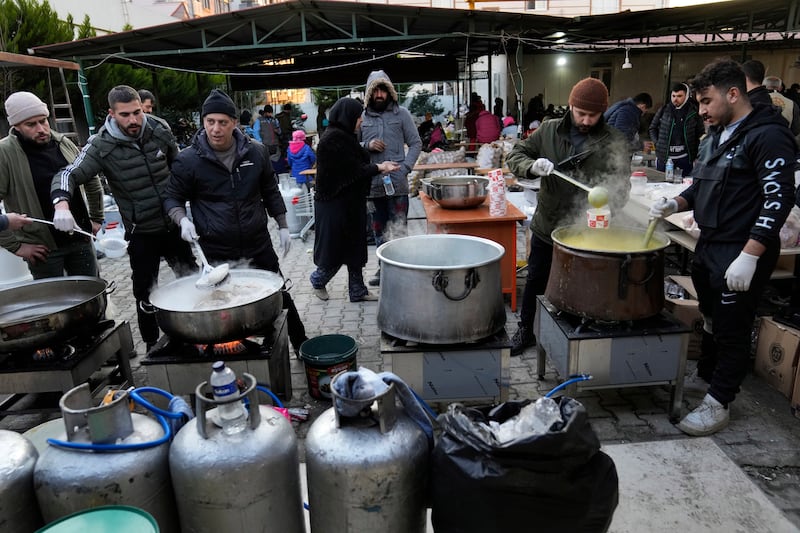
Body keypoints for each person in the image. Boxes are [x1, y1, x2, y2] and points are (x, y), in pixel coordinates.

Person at [649, 59, 796, 436]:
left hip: (742, 249)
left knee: (733, 326)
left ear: (733, 93)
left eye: (706, 101)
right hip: (709, 245)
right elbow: (701, 187)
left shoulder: (768, 135)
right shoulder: (718, 133)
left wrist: (751, 254)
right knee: (712, 317)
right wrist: (675, 204)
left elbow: (777, 200)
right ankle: (710, 375)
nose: (701, 111)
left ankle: (720, 402)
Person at [163, 89, 308, 354]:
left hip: (257, 242)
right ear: (203, 122)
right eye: (210, 122)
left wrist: (284, 225)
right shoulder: (188, 160)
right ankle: (229, 352)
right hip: (215, 248)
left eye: (222, 122)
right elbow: (172, 198)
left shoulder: (257, 152)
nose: (216, 129)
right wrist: (181, 219)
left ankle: (301, 344)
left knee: (279, 294)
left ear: (234, 123)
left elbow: (270, 190)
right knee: (221, 304)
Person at [51, 85, 196, 349]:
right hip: (142, 231)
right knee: (144, 290)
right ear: (112, 113)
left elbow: (180, 167)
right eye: (125, 114)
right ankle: (152, 344)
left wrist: (189, 211)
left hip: (174, 223)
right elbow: (69, 174)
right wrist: (61, 204)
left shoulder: (158, 128)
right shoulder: (101, 144)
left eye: (137, 112)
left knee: (193, 278)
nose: (133, 120)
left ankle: (196, 331)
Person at [506, 78, 630, 356]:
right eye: (580, 113)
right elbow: (516, 155)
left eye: (593, 115)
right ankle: (526, 328)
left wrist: (612, 204)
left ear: (603, 112)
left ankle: (572, 334)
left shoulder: (614, 141)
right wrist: (532, 166)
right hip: (548, 223)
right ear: (570, 106)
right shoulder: (549, 130)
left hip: (588, 231)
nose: (586, 120)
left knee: (581, 286)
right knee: (536, 279)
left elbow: (622, 185)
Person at [0, 91, 104, 278]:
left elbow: (90, 179)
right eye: (31, 124)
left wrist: (96, 218)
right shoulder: (5, 153)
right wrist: (16, 246)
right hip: (43, 249)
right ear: (16, 126)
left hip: (80, 238)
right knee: (56, 304)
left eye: (43, 121)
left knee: (93, 299)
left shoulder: (63, 143)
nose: (41, 129)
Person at [309, 97, 399, 302]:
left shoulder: (346, 136)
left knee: (355, 247)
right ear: (347, 116)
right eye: (358, 117)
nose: (361, 121)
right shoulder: (332, 139)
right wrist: (380, 167)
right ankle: (318, 279)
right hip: (333, 204)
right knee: (336, 249)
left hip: (351, 202)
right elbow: (351, 172)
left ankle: (357, 290)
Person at [360, 69, 422, 286]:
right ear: (369, 93)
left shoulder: (402, 114)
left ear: (389, 91)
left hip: (397, 185)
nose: (379, 94)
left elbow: (416, 143)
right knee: (378, 229)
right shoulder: (362, 117)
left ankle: (401, 269)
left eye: (383, 90)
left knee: (398, 228)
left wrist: (405, 168)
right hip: (372, 186)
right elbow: (349, 146)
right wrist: (366, 145)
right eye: (374, 90)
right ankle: (383, 268)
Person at [648, 82, 706, 175]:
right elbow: (652, 128)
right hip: (664, 157)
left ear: (686, 96)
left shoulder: (694, 112)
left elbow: (700, 133)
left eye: (679, 96)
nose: (675, 99)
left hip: (685, 158)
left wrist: (696, 153)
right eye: (673, 96)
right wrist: (657, 142)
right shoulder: (664, 110)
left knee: (684, 186)